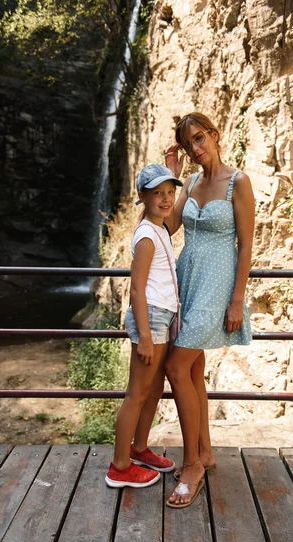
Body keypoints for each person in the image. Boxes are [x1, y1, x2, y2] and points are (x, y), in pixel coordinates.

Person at [164, 112, 255, 508]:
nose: (196, 149)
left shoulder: (238, 181)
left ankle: (191, 466)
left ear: (215, 136)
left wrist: (237, 299)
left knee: (175, 367)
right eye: (189, 145)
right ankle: (206, 452)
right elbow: (165, 227)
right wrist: (169, 174)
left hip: (216, 288)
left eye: (200, 139)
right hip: (186, 282)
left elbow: (246, 246)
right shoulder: (189, 182)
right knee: (194, 370)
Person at [105, 164, 183, 489]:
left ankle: (139, 449)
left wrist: (174, 169)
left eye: (169, 193)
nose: (166, 200)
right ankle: (120, 467)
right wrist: (146, 338)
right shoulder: (148, 236)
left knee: (153, 389)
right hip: (150, 317)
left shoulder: (160, 227)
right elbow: (137, 289)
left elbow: (172, 214)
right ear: (143, 197)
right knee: (137, 393)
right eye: (157, 194)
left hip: (161, 315)